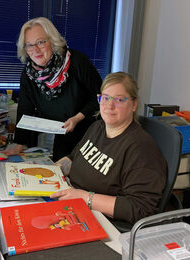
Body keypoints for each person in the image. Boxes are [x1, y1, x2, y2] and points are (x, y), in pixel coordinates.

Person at [50, 72, 167, 224]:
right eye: (105, 98)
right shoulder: (97, 127)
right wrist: (50, 172)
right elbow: (73, 158)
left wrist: (85, 198)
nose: (109, 106)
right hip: (71, 198)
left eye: (119, 99)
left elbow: (140, 208)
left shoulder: (141, 148)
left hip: (98, 218)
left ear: (133, 104)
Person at [2, 17, 102, 161]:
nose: (35, 50)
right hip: (62, 136)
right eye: (29, 45)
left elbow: (100, 97)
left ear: (53, 40)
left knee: (83, 178)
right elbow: (25, 110)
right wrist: (19, 143)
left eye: (40, 42)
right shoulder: (29, 74)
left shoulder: (77, 62)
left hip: (89, 134)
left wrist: (77, 118)